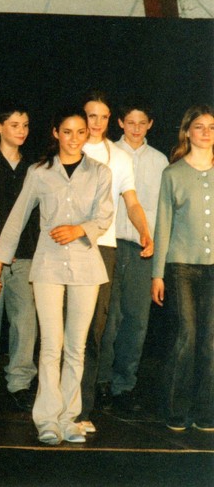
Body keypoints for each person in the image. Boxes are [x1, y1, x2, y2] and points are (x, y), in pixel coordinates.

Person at [0, 105, 113, 445]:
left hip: (86, 265)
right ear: (56, 133)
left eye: (81, 132)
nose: (74, 138)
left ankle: (69, 418)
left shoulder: (100, 172)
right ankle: (46, 420)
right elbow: (17, 218)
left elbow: (104, 216)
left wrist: (79, 229)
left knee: (76, 346)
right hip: (47, 265)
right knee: (50, 345)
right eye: (67, 132)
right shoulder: (39, 172)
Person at [77, 90, 153, 434]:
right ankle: (55, 402)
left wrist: (145, 231)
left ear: (111, 120)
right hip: (64, 247)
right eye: (91, 115)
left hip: (102, 248)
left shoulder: (118, 158)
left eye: (103, 117)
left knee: (95, 328)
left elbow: (132, 202)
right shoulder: (70, 148)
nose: (96, 123)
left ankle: (83, 407)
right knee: (62, 331)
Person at [97, 100, 168, 413]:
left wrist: (155, 247)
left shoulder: (160, 161)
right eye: (130, 122)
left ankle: (124, 385)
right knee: (107, 317)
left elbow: (162, 211)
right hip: (110, 245)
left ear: (150, 124)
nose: (136, 128)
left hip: (143, 248)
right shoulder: (108, 153)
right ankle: (100, 382)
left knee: (136, 319)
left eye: (142, 122)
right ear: (120, 123)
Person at [151, 104, 214, 432]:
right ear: (187, 131)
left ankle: (206, 411)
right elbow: (163, 224)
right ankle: (175, 408)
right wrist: (157, 274)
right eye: (199, 126)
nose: (206, 133)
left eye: (212, 127)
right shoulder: (172, 174)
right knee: (186, 335)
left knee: (211, 340)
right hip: (181, 267)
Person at [0, 102, 39, 412]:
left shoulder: (35, 167)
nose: (21, 131)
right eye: (14, 125)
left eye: (25, 125)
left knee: (25, 323)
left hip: (25, 255)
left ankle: (20, 383)